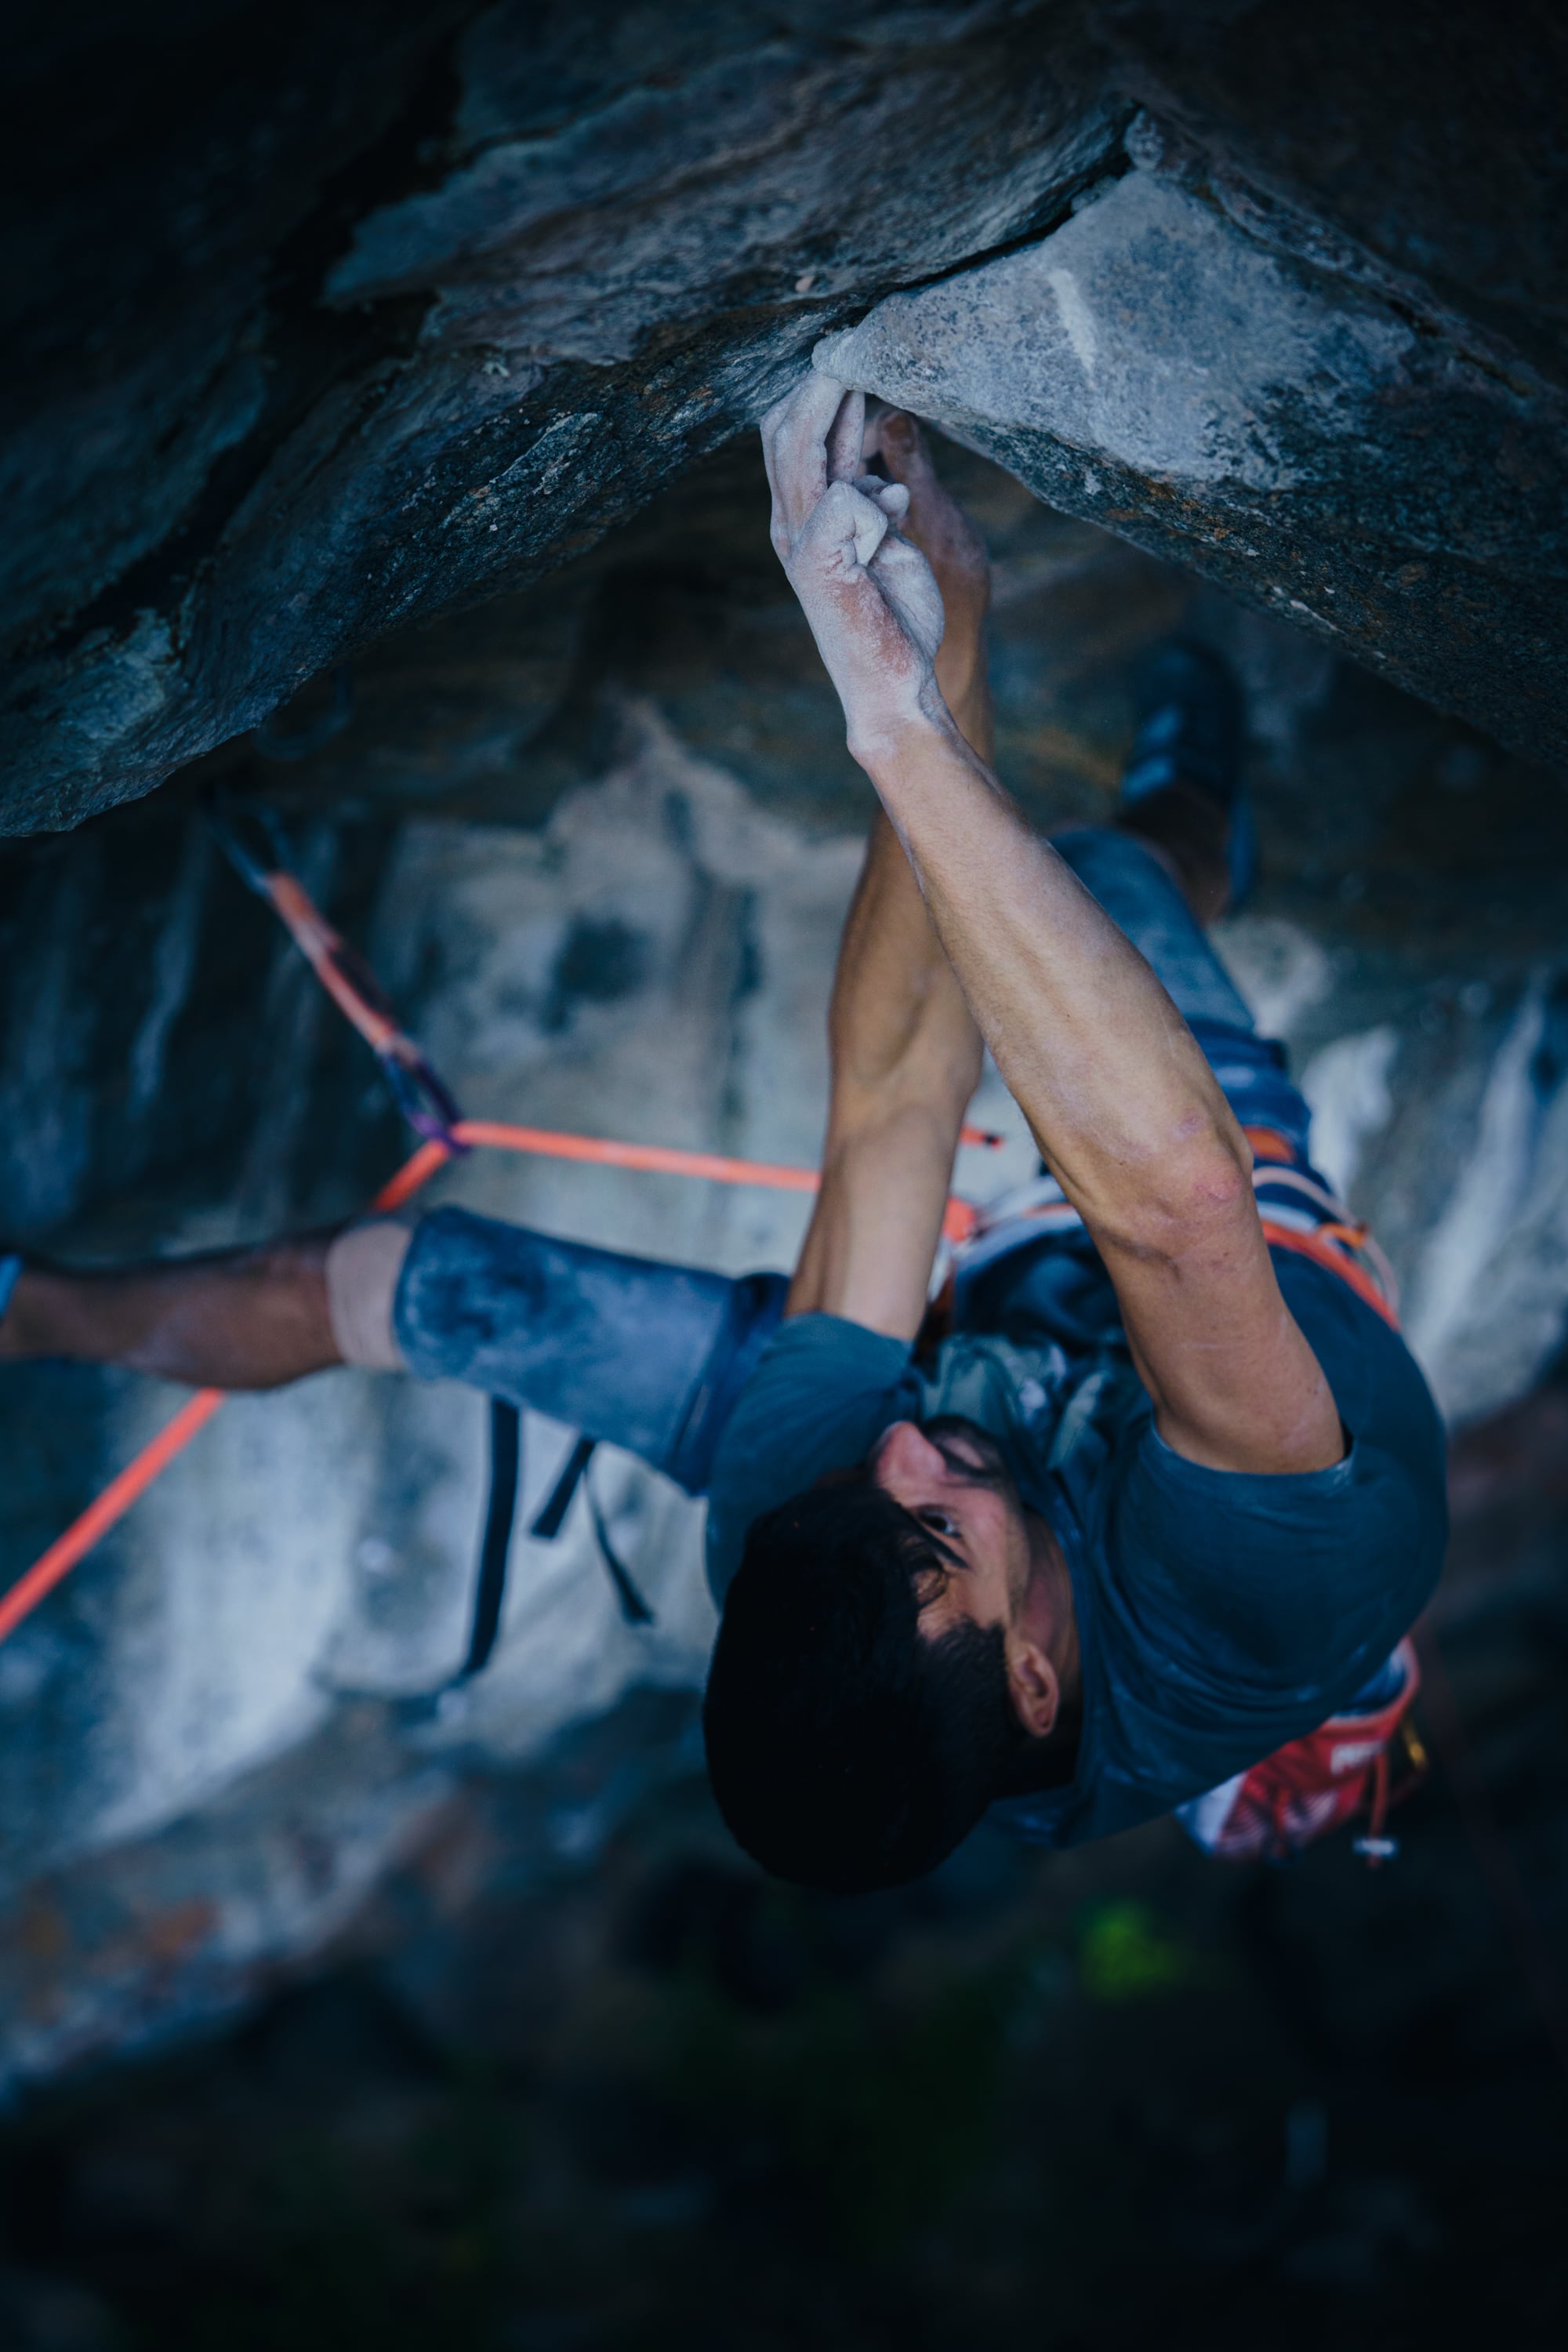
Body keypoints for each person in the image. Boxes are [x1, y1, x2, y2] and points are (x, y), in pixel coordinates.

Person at [0, 376, 1446, 1894]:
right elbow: (1180, 1207)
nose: (893, 1449)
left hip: (1031, 1363)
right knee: (1112, 882)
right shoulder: (1247, 1603)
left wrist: (931, 638)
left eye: (859, 1493)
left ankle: (26, 1311)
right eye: (931, 1533)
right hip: (1248, 1281)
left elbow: (893, 1105)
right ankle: (1196, 817)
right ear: (1033, 1679)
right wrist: (899, 735)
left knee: (389, 1284)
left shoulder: (821, 1534)